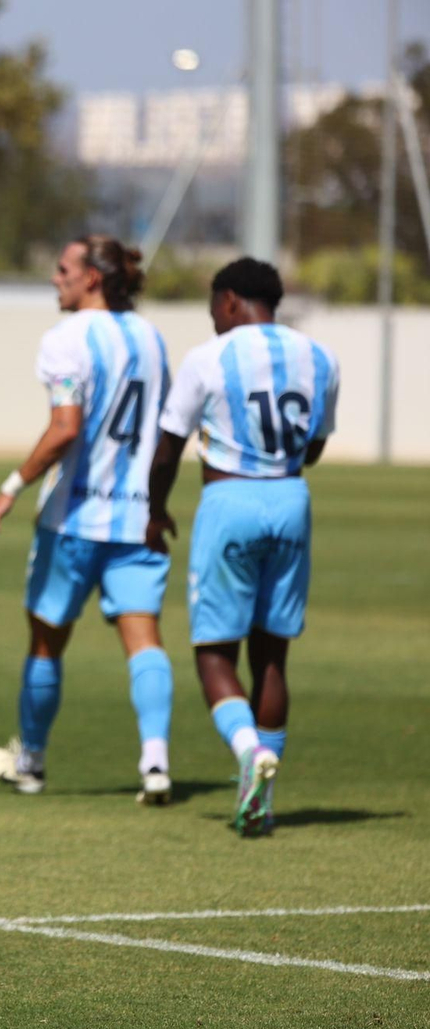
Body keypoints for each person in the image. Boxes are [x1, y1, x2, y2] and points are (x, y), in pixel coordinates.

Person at [0, 235, 175, 804]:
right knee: (145, 642)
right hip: (136, 520)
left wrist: (10, 488)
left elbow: (66, 427)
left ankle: (31, 763)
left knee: (46, 642)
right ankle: (156, 764)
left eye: (62, 268)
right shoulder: (152, 337)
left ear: (92, 277)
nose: (54, 278)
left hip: (73, 520)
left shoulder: (67, 338)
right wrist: (159, 506)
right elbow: (165, 436)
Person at [148, 257, 339, 836]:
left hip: (229, 503)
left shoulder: (209, 357)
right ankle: (262, 801)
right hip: (290, 501)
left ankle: (248, 753)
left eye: (212, 306)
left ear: (229, 300)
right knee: (272, 657)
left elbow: (167, 447)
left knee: (213, 654)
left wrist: (154, 512)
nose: (212, 318)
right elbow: (314, 449)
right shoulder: (321, 358)